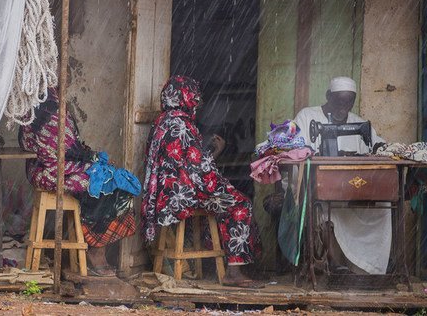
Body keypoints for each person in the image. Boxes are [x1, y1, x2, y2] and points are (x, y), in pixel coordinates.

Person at [142, 75, 262, 287]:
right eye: (196, 97)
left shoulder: (161, 123)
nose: (198, 102)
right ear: (187, 97)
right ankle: (233, 273)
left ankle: (211, 263)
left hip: (165, 196)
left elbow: (184, 165)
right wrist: (221, 172)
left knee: (224, 200)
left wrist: (212, 155)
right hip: (182, 198)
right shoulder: (184, 125)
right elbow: (200, 172)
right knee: (241, 205)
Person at [19, 90, 137, 277]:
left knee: (106, 175)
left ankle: (87, 240)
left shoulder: (39, 104)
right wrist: (93, 158)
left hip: (44, 168)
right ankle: (96, 250)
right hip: (51, 172)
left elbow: (66, 149)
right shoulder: (50, 110)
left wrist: (91, 158)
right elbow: (63, 151)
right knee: (109, 184)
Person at [292, 76, 389, 275]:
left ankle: (368, 268)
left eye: (349, 102)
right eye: (339, 101)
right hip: (318, 188)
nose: (344, 106)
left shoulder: (360, 123)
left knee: (385, 207)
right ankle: (338, 266)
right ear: (328, 96)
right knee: (327, 207)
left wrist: (381, 148)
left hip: (350, 189)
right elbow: (292, 149)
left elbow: (379, 144)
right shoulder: (307, 116)